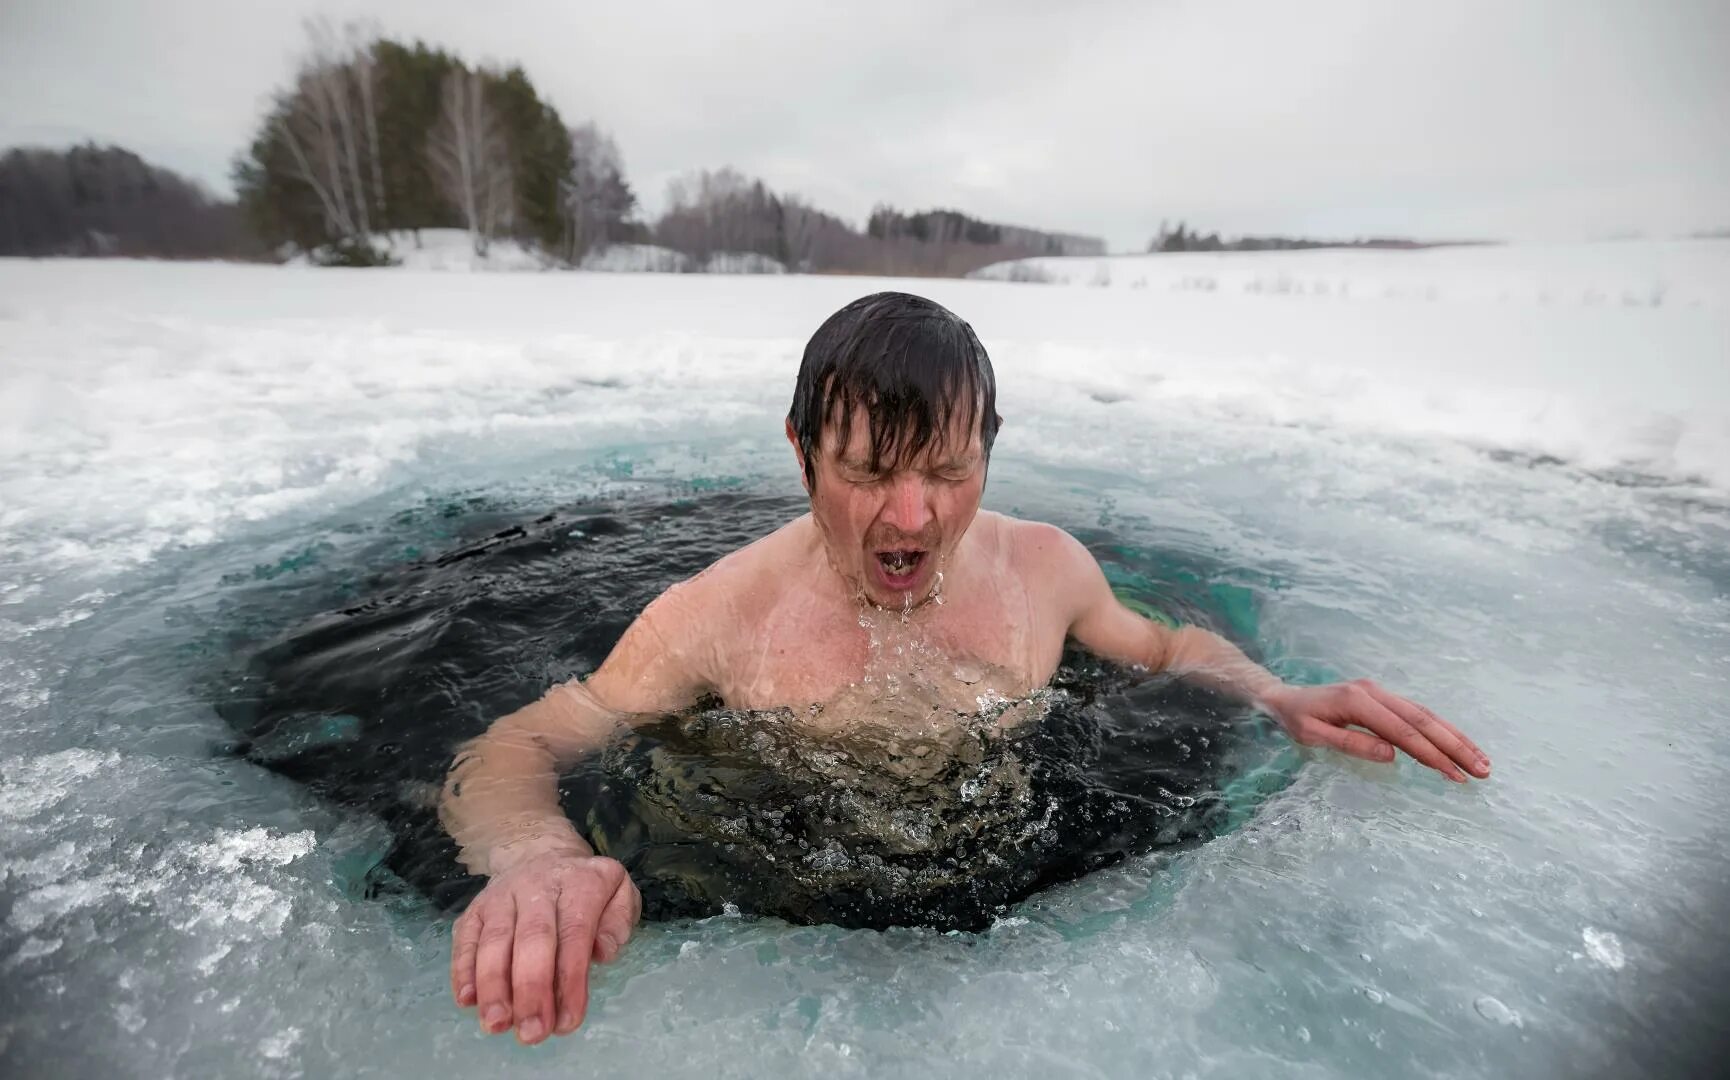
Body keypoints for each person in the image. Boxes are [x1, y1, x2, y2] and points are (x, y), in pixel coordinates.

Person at [439, 291, 1491, 1044]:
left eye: (948, 470)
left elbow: (1163, 646)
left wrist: (1272, 691)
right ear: (802, 454)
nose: (914, 517)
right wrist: (536, 857)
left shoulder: (1043, 569)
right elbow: (523, 740)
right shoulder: (712, 616)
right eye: (866, 473)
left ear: (987, 448)